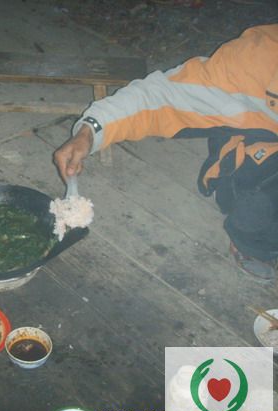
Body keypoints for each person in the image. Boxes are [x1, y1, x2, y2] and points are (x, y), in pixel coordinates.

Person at [54, 24, 278, 283]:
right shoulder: (261, 58)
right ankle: (252, 242)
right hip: (262, 157)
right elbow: (162, 96)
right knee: (260, 204)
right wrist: (90, 131)